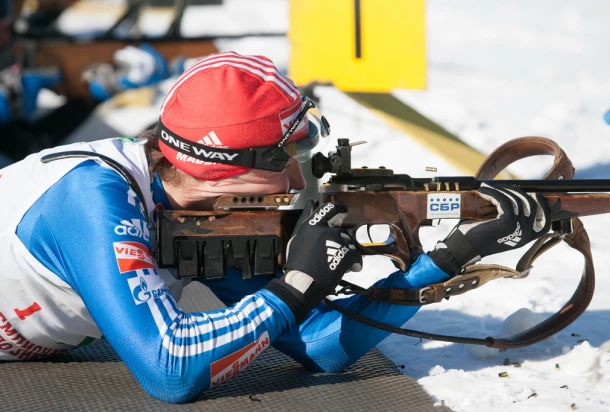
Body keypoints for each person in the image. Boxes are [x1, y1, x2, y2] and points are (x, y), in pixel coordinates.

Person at [0, 51, 551, 404]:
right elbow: (170, 368)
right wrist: (294, 287)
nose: (298, 173)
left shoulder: (206, 210)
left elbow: (317, 347)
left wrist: (448, 258)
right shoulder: (91, 197)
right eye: (287, 154)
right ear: (229, 166)